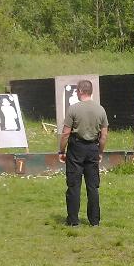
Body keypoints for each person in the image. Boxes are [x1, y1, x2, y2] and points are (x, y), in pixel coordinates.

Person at [58, 79, 109, 226]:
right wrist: (100, 151)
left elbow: (66, 133)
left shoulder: (73, 109)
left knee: (74, 185)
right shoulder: (101, 109)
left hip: (76, 148)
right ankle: (94, 220)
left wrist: (61, 151)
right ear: (91, 91)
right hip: (93, 148)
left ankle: (73, 220)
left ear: (80, 91)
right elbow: (104, 135)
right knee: (93, 186)